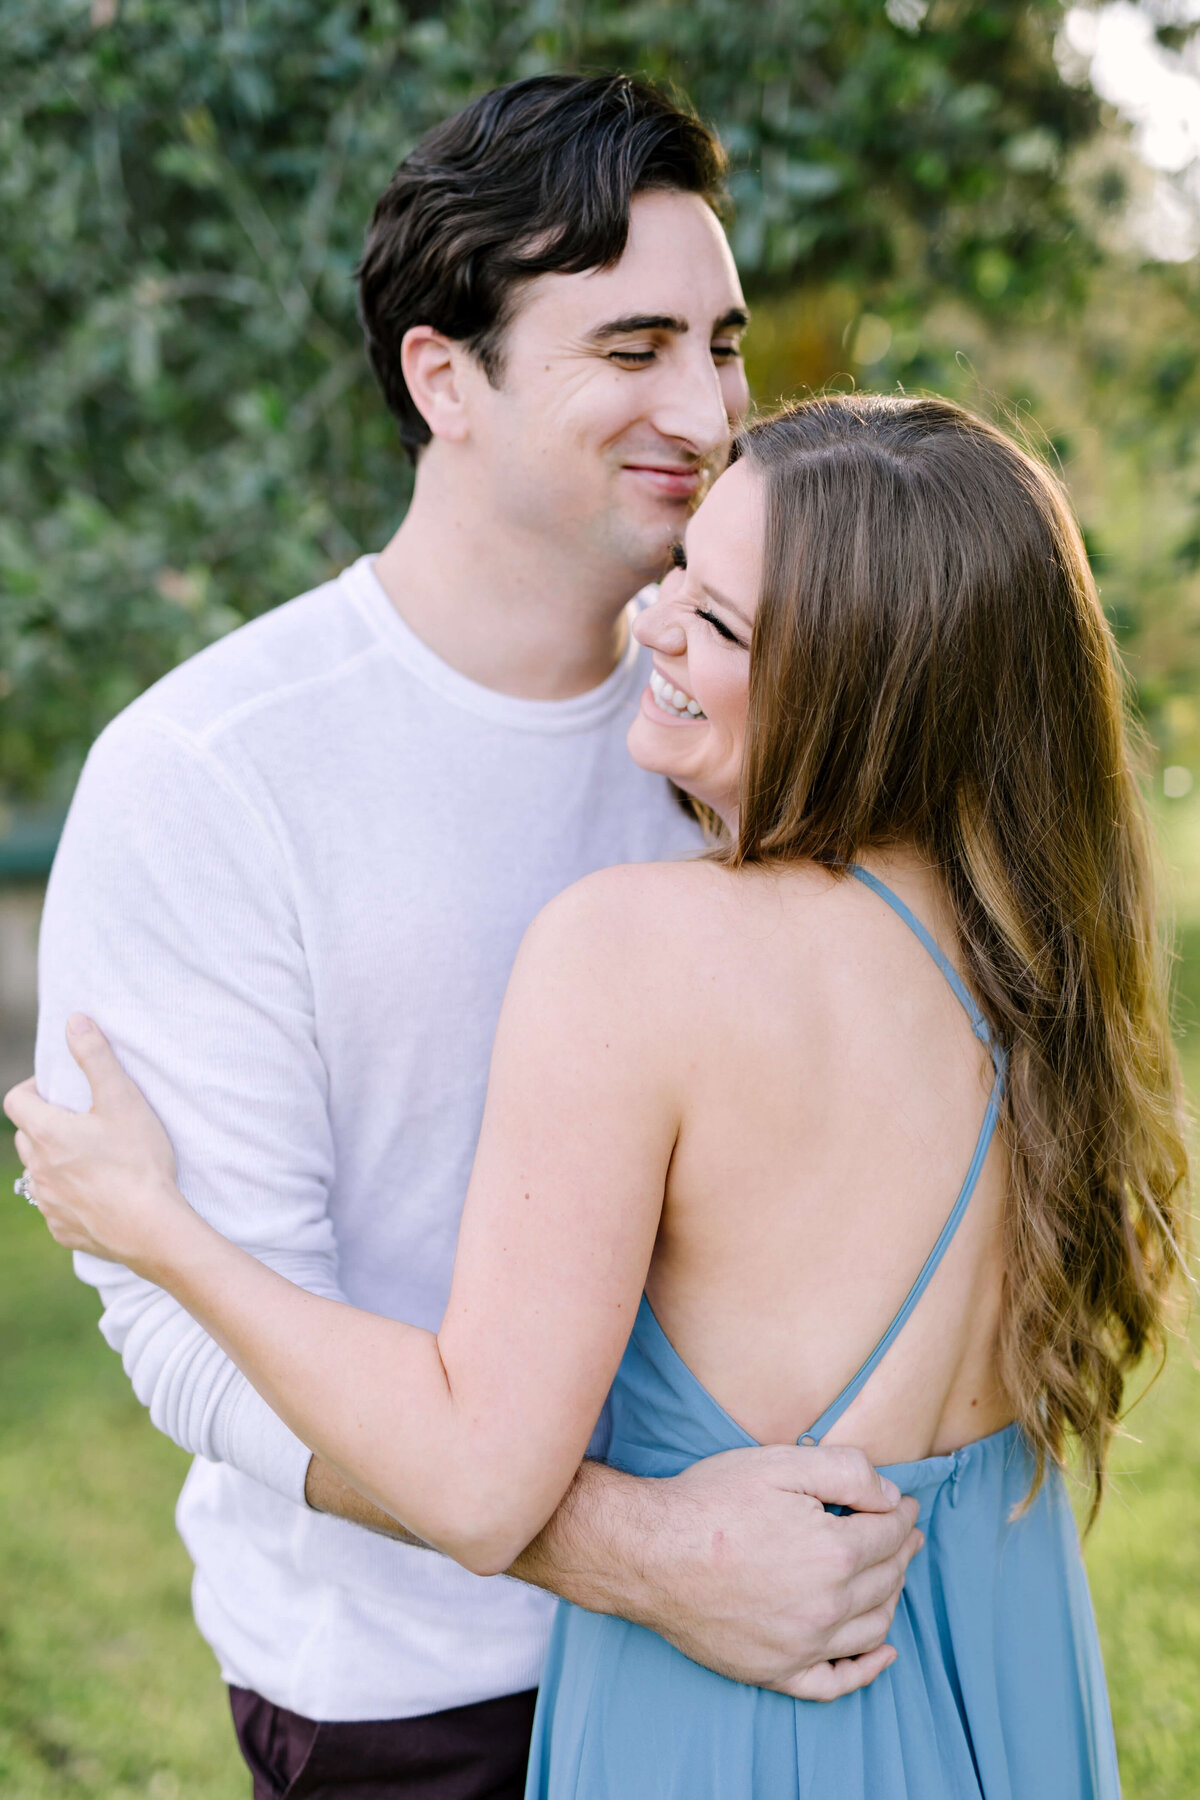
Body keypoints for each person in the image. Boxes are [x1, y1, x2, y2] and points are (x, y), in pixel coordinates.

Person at [10, 393, 1189, 1798]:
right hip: (1006, 1691)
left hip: (754, 1727)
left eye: (728, 627)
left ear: (873, 685)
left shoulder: (636, 952)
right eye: (681, 571)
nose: (656, 628)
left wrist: (156, 1230)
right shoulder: (1033, 946)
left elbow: (472, 1480)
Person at [9, 75, 923, 1800]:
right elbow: (190, 1322)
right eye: (632, 344)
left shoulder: (757, 716)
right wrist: (648, 1556)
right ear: (446, 377)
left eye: (722, 345)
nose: (710, 406)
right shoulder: (213, 774)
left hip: (801, 1641)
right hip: (418, 1692)